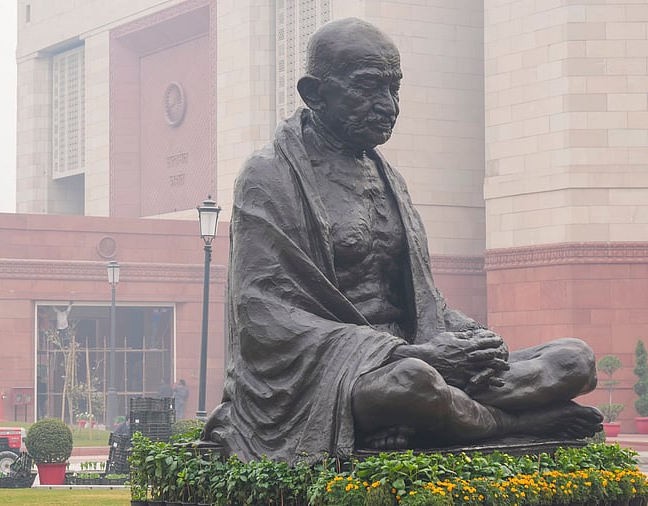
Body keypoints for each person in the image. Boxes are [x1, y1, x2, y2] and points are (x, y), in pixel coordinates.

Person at [202, 17, 602, 465]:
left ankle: (447, 417)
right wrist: (408, 354)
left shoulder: (387, 177)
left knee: (574, 360)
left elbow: (419, 299)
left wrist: (469, 340)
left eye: (394, 89)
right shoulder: (268, 176)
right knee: (411, 384)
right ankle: (512, 425)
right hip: (338, 374)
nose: (387, 105)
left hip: (424, 356)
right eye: (368, 87)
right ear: (314, 93)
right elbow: (262, 313)